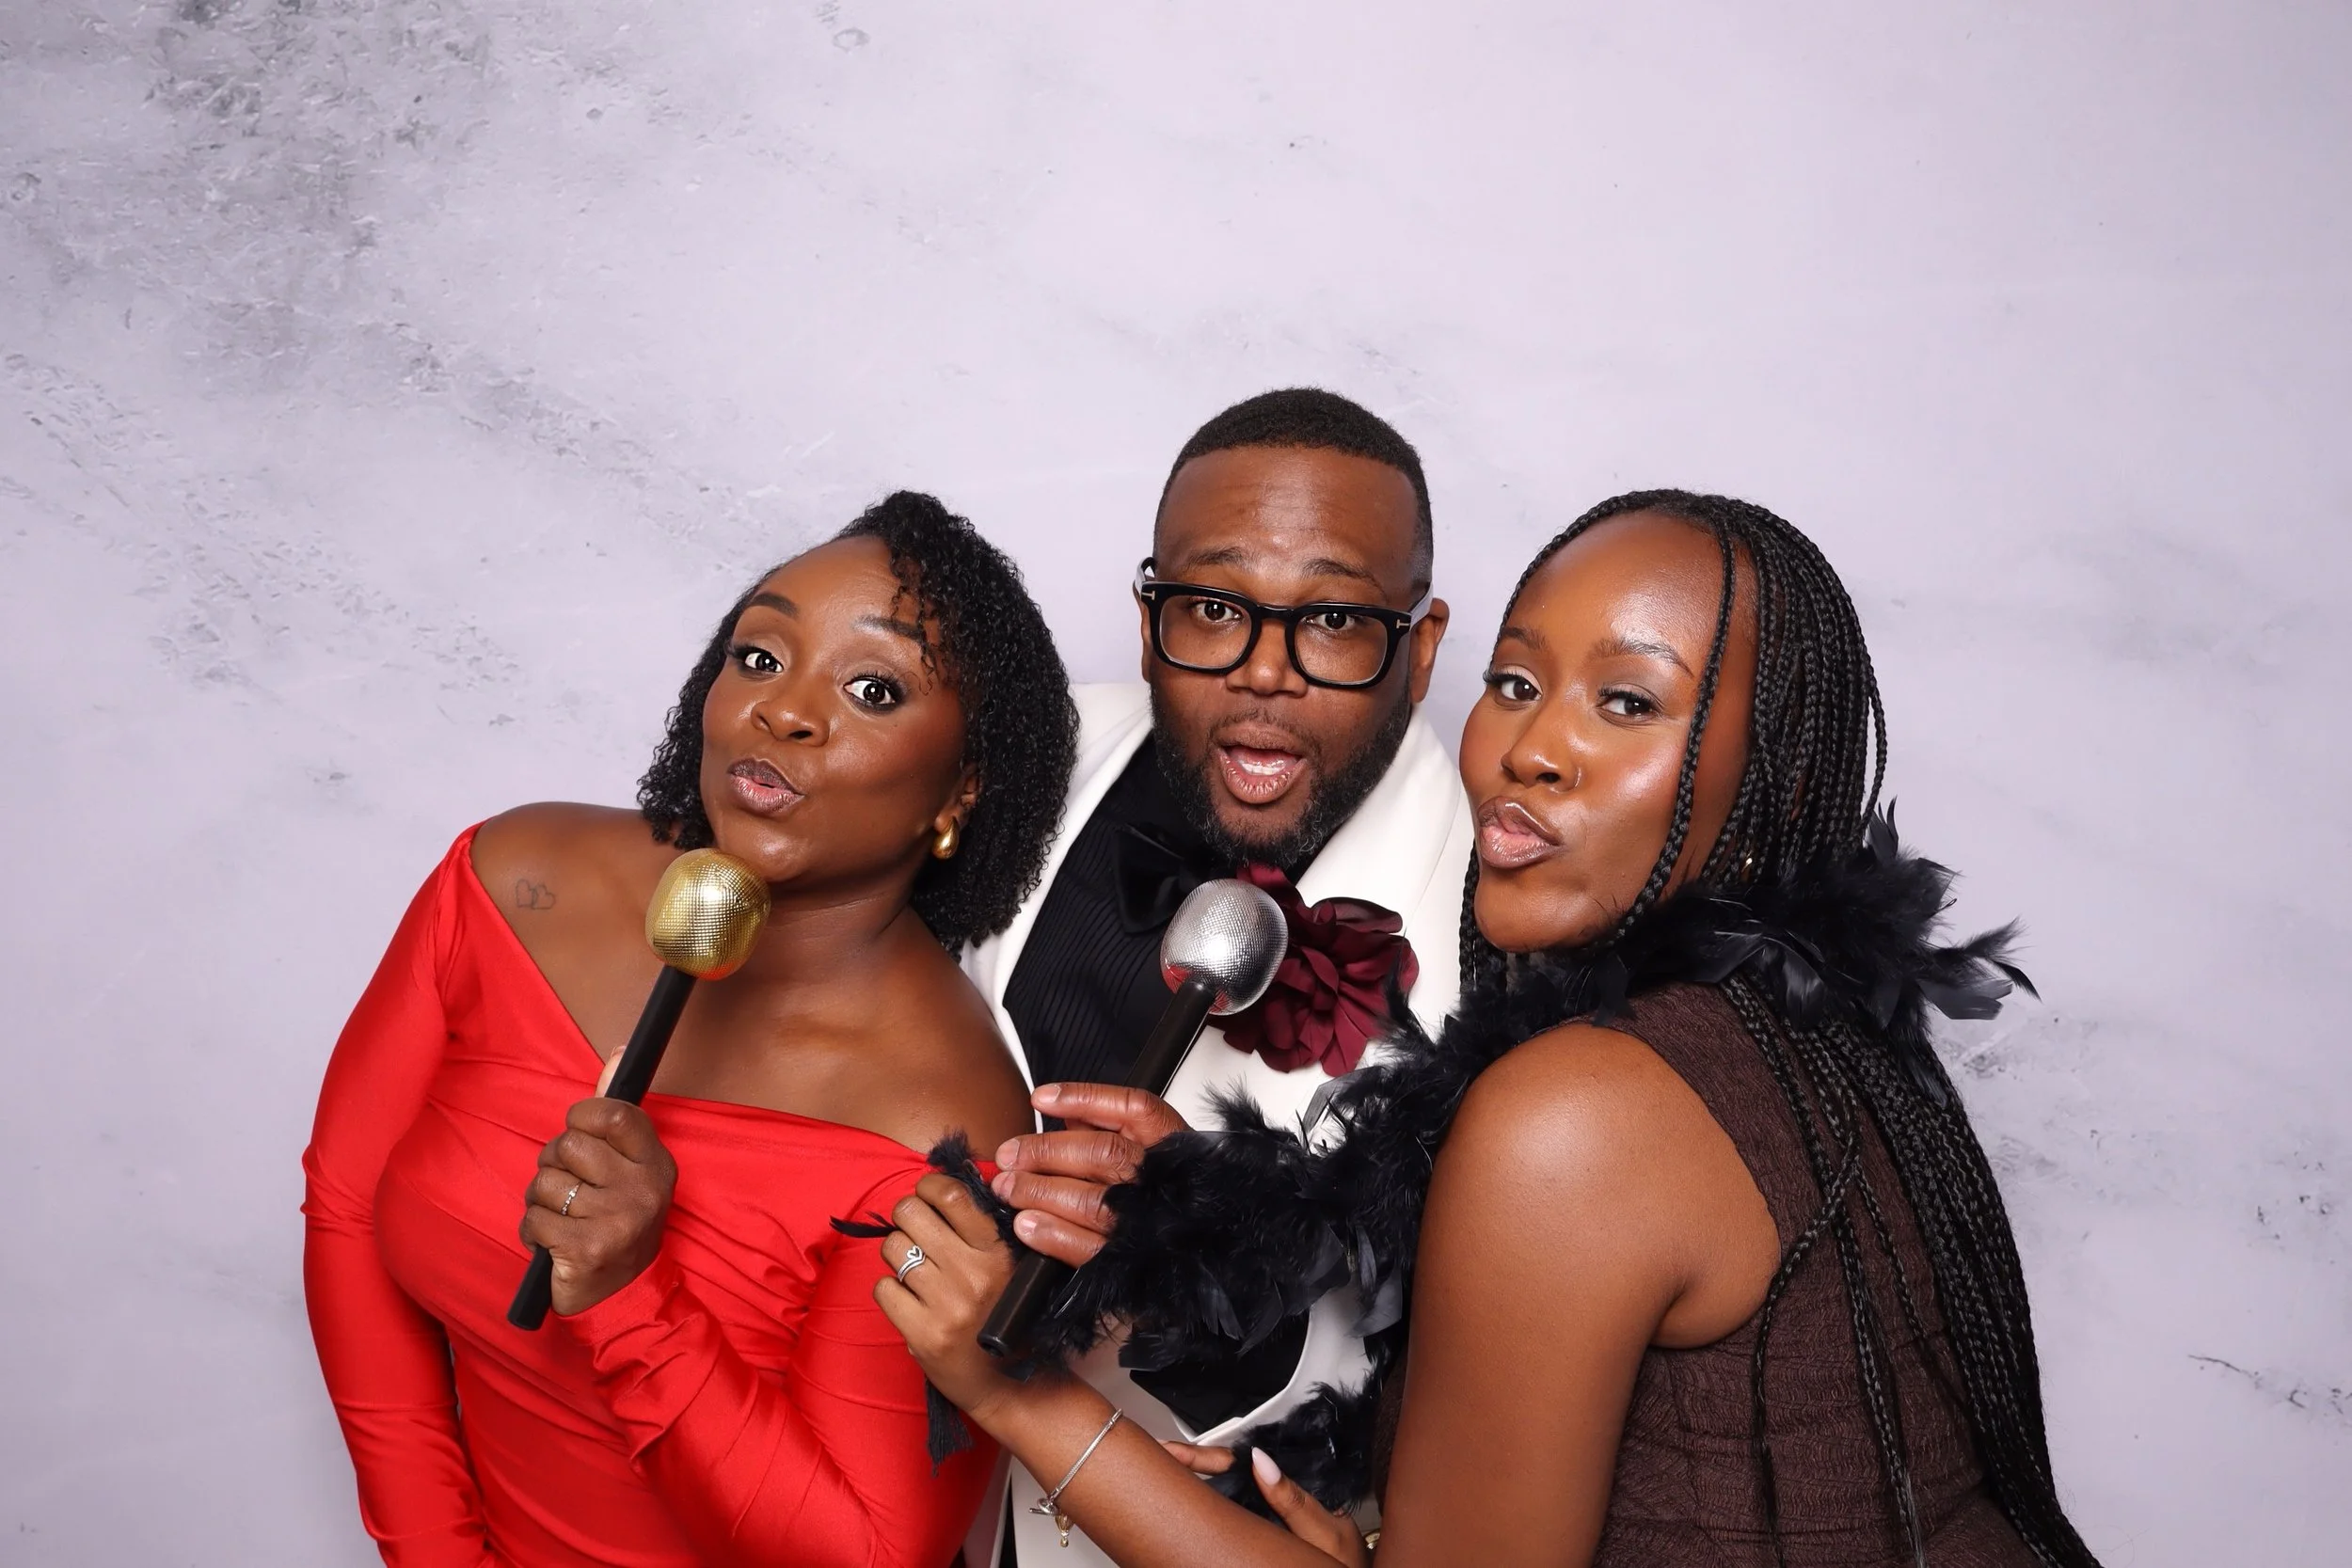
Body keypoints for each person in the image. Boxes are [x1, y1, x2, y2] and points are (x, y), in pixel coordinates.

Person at [876, 490, 2108, 1568]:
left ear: (1775, 780)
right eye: (1517, 684)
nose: (1535, 748)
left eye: (1627, 700)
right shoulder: (1768, 1039)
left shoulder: (1584, 1112)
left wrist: (1014, 1390)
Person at [300, 493, 1077, 1568]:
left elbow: (870, 1552)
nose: (785, 711)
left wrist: (630, 1296)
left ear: (960, 790)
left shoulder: (940, 1116)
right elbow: (345, 1207)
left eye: (871, 688)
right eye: (759, 656)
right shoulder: (513, 877)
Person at [951, 388, 1475, 1566]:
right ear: (1147, 619)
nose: (1263, 673)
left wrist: (1184, 1262)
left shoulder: (1496, 943)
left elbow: (1457, 1381)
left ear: (1422, 644)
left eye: (1333, 617)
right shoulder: (1017, 765)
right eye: (1210, 605)